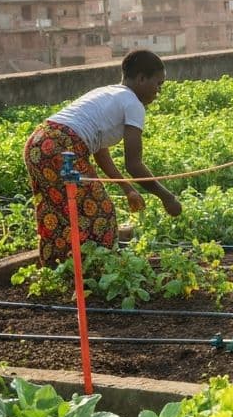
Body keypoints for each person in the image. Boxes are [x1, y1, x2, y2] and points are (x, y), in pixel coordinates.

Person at [23, 49, 182, 266]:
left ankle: (59, 269)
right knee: (100, 214)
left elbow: (99, 150)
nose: (158, 91)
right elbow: (134, 164)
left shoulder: (108, 93)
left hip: (39, 143)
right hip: (62, 147)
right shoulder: (133, 103)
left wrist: (128, 189)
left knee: (59, 210)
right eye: (158, 84)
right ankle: (98, 270)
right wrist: (167, 197)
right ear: (142, 78)